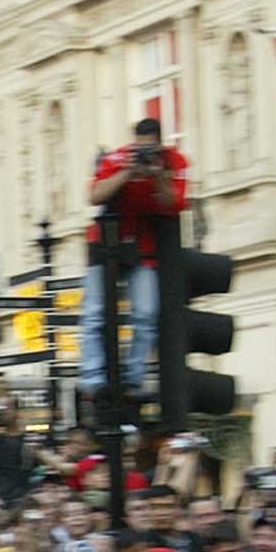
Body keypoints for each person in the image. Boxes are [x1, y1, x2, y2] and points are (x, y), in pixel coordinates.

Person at [78, 116, 188, 403]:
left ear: (160, 144)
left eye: (150, 149)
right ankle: (92, 377)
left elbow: (173, 204)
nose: (144, 154)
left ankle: (134, 380)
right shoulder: (119, 158)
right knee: (94, 312)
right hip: (105, 244)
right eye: (140, 148)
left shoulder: (173, 162)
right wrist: (127, 172)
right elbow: (94, 196)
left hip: (144, 248)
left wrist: (157, 175)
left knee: (147, 314)